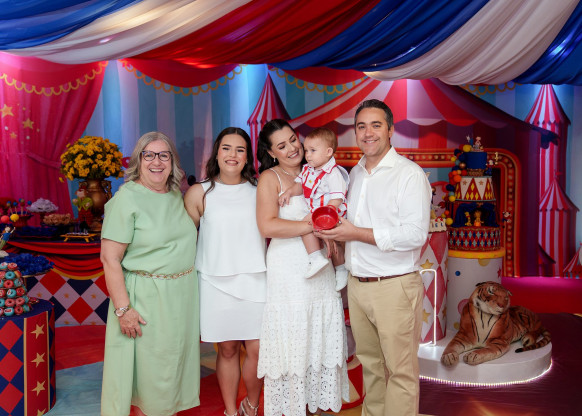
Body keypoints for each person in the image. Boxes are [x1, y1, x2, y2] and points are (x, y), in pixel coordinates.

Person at [315, 99, 431, 416]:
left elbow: (415, 235)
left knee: (401, 373)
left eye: (376, 125)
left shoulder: (409, 175)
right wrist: (335, 239)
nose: (368, 133)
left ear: (390, 130)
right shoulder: (353, 175)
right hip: (358, 285)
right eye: (361, 126)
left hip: (394, 287)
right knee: (372, 368)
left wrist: (355, 232)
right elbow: (348, 227)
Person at [100, 131, 200, 416]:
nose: (157, 162)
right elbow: (110, 258)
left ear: (172, 162)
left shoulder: (175, 195)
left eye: (163, 155)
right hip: (146, 300)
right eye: (149, 155)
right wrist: (123, 309)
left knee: (173, 372)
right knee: (152, 378)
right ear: (138, 161)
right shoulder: (127, 198)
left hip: (181, 298)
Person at [255, 119, 349, 416]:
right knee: (294, 337)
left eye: (293, 140)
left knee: (319, 339)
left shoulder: (321, 171)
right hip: (289, 269)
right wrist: (312, 225)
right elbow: (267, 225)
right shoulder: (270, 178)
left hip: (322, 266)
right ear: (272, 153)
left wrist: (331, 235)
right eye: (282, 146)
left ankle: (317, 408)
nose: (292, 148)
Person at [184, 127, 266, 416]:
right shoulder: (199, 192)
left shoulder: (260, 190)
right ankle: (231, 411)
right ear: (216, 154)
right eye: (227, 148)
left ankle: (251, 405)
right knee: (228, 349)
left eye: (240, 149)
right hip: (214, 281)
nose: (233, 155)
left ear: (248, 157)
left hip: (256, 279)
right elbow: (183, 241)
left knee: (258, 350)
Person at [278, 127, 349, 290]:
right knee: (316, 232)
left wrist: (326, 213)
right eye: (306, 150)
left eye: (313, 151)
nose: (308, 155)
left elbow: (337, 197)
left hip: (330, 212)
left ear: (328, 152)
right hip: (318, 211)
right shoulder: (308, 170)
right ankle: (323, 260)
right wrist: (289, 192)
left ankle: (330, 264)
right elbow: (300, 185)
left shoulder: (333, 173)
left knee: (329, 237)